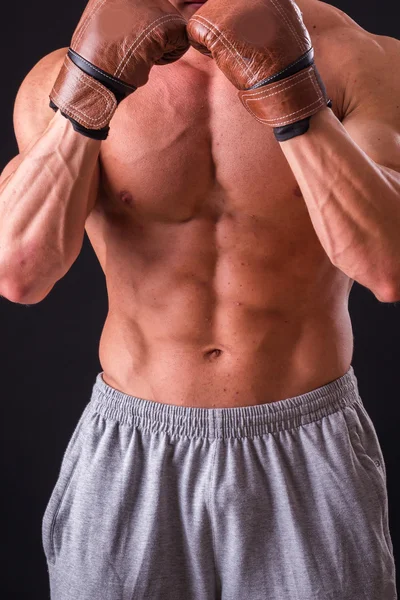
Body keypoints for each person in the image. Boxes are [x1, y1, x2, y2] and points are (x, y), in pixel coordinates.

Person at [0, 0, 398, 597]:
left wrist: (290, 89)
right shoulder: (62, 75)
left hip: (307, 445)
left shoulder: (356, 60)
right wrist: (88, 93)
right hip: (132, 449)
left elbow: (389, 268)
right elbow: (20, 272)